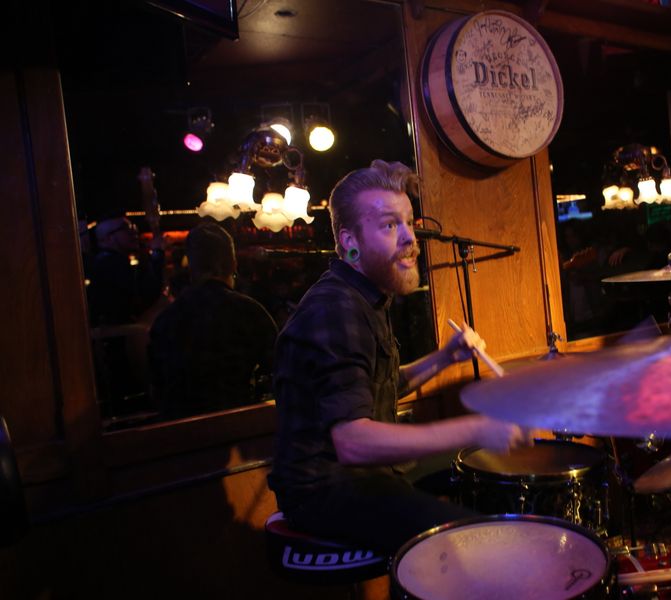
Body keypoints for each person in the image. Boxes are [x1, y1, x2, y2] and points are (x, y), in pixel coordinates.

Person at [267, 160, 531, 553]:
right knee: (474, 541)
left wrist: (444, 358)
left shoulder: (365, 296)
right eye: (390, 225)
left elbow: (379, 387)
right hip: (325, 490)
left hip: (364, 475)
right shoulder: (335, 308)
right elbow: (352, 442)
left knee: (486, 476)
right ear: (350, 242)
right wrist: (477, 429)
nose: (410, 237)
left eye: (409, 222)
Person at [148, 222, 278, 419]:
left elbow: (156, 385)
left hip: (179, 427)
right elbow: (282, 368)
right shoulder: (249, 312)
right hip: (239, 422)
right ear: (233, 263)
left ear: (191, 267)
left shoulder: (166, 319)